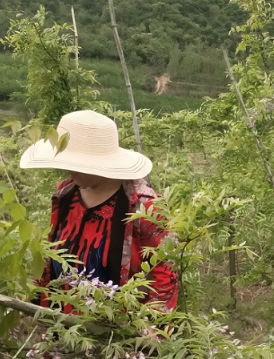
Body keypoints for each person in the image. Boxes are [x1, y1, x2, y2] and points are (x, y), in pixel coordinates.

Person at [20, 110, 178, 311]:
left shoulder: (144, 207)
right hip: (59, 328)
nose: (68, 168)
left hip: (116, 332)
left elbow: (165, 275)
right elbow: (52, 257)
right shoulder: (65, 195)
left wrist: (151, 330)